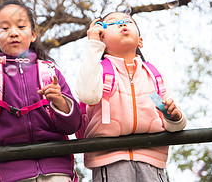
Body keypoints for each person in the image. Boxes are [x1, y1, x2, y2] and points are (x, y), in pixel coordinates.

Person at [0, 0, 81, 182]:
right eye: (4, 29)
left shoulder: (49, 72)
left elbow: (73, 126)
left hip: (56, 169)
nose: (13, 33)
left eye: (21, 26)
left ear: (33, 34)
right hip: (8, 173)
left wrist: (60, 102)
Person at [75, 11, 187, 182]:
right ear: (101, 39)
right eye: (112, 23)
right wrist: (92, 45)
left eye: (128, 21)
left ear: (140, 41)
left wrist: (175, 118)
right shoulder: (98, 71)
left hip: (152, 159)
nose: (122, 24)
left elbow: (174, 126)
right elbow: (87, 96)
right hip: (110, 158)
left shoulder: (153, 75)